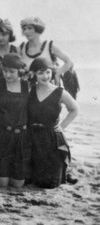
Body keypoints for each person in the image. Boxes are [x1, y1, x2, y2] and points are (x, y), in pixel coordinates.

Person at [27, 57, 79, 188]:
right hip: (32, 139)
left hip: (52, 141)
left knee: (50, 184)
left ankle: (64, 173)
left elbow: (74, 109)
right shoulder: (30, 90)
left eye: (48, 72)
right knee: (30, 180)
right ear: (33, 74)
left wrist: (61, 127)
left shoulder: (60, 92)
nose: (45, 76)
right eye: (40, 73)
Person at [0, 53, 30, 188]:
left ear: (20, 71)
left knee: (18, 184)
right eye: (5, 70)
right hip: (1, 136)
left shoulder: (27, 86)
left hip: (21, 137)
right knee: (2, 183)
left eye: (12, 72)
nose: (8, 75)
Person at [18, 17, 74, 85]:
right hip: (28, 90)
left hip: (48, 89)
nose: (26, 31)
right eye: (24, 29)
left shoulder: (49, 46)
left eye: (30, 28)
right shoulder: (21, 48)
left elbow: (68, 62)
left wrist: (56, 73)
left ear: (38, 29)